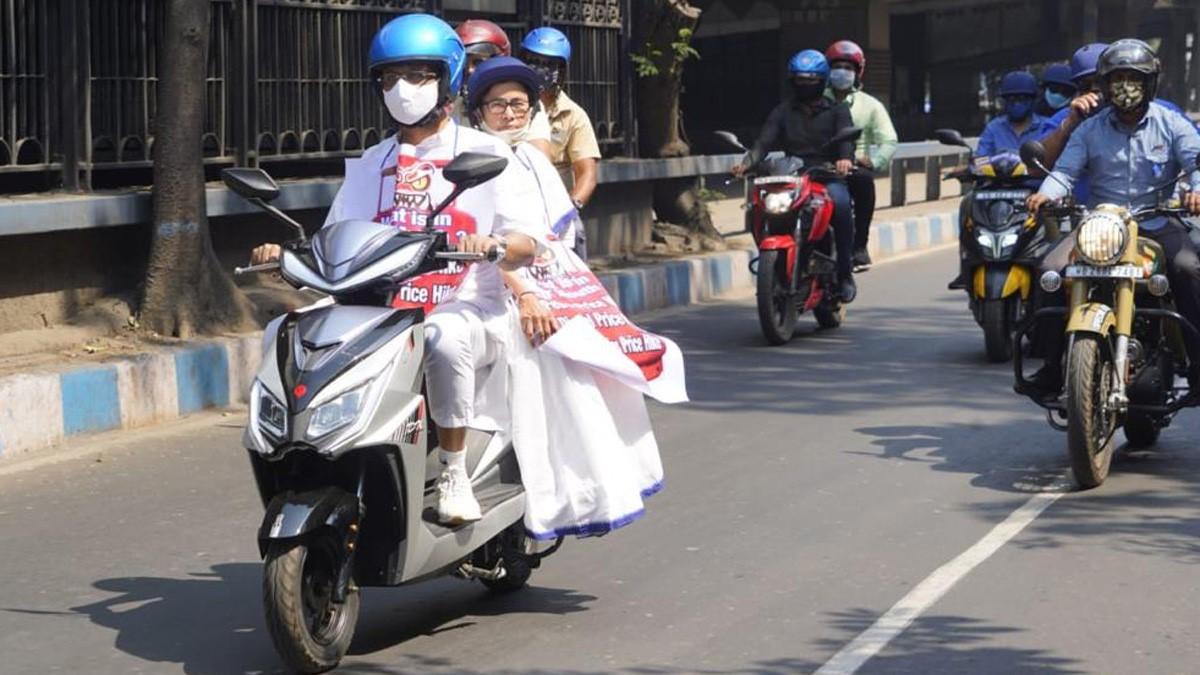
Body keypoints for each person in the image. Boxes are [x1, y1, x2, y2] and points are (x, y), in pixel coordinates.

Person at [249, 13, 548, 525]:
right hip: (377, 308)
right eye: (390, 78)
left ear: (447, 78)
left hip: (465, 304)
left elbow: (529, 242)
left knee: (443, 337)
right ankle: (300, 458)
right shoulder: (371, 164)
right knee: (285, 330)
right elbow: (335, 235)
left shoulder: (489, 155)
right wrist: (285, 254)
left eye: (417, 76)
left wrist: (493, 244)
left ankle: (453, 467)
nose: (402, 89)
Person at [1024, 39, 1200, 396]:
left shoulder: (1171, 123)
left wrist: (1197, 190)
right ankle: (1052, 366)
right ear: (1104, 85)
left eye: (1133, 78)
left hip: (1157, 223)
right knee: (1049, 271)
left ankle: (1197, 366)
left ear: (1149, 82)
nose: (1125, 86)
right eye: (1116, 78)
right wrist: (1046, 193)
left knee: (1188, 269)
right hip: (1100, 227)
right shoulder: (1089, 129)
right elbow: (1065, 172)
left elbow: (1196, 161)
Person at [731, 49, 857, 301]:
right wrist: (747, 163)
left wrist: (844, 159)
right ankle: (775, 260)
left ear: (822, 82)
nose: (805, 85)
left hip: (826, 173)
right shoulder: (783, 111)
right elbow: (764, 141)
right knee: (759, 206)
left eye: (810, 81)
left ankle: (845, 273)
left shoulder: (838, 110)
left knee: (842, 207)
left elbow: (846, 139)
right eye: (800, 80)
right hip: (791, 175)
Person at [948, 71, 1047, 290]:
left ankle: (1051, 268)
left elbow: (1053, 157)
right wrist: (975, 167)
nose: (1017, 103)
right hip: (995, 190)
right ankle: (966, 264)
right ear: (1004, 102)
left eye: (1023, 99)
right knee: (967, 203)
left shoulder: (1046, 127)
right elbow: (981, 157)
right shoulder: (994, 127)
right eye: (1012, 99)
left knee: (1053, 214)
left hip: (1034, 191)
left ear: (1033, 100)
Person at [520, 26, 599, 260]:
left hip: (556, 213)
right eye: (533, 61)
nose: (540, 69)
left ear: (561, 70)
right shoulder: (507, 106)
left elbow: (587, 174)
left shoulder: (573, 115)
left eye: (549, 64)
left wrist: (568, 210)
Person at [824, 39, 898, 273]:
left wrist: (874, 161)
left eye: (848, 68)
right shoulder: (815, 101)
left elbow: (889, 140)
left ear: (858, 72)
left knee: (865, 182)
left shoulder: (870, 105)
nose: (842, 73)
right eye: (837, 67)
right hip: (818, 165)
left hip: (853, 166)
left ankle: (859, 246)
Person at [454, 19, 553, 159]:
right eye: (464, 63)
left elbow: (540, 160)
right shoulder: (454, 105)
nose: (470, 70)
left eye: (478, 62)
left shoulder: (532, 106)